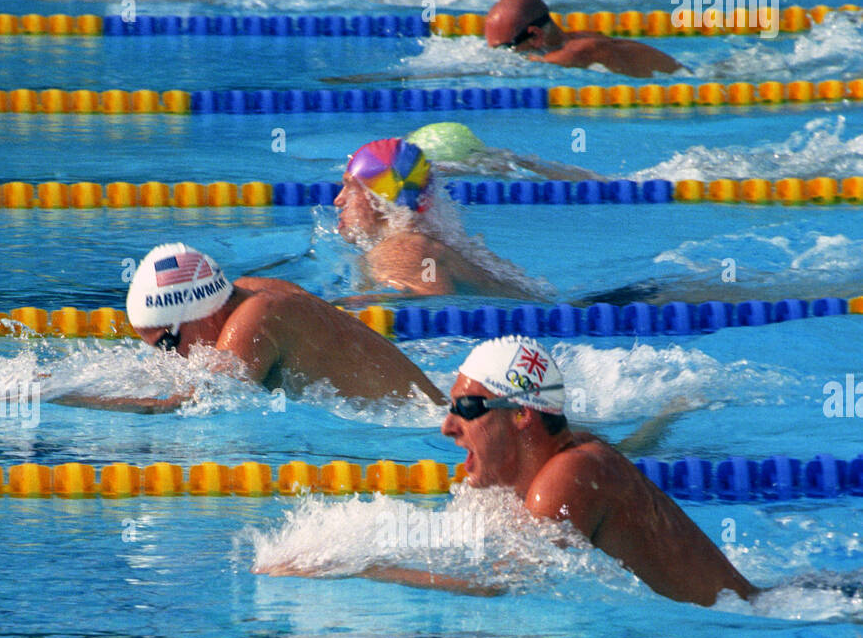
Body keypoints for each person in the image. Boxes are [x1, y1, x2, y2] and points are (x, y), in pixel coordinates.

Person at [259, 336, 755, 608]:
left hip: (751, 626)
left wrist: (355, 567)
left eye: (468, 408)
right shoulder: (553, 463)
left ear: (521, 414)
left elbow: (501, 583)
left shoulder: (570, 475)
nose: (447, 426)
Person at [54, 243, 445, 412]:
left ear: (204, 314)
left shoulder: (256, 318)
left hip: (421, 424)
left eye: (169, 343)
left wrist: (59, 394)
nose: (168, 358)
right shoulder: (245, 294)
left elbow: (188, 404)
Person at [334, 137, 555, 300]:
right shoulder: (415, 245)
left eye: (350, 188)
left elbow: (435, 308)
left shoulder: (402, 249)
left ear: (380, 201)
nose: (338, 200)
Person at [485, 0, 683, 78]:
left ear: (536, 36)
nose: (504, 55)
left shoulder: (576, 52)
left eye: (505, 48)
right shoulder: (575, 40)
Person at [406, 120, 604, 183]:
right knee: (518, 162)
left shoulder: (435, 165)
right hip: (472, 150)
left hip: (463, 156)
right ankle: (604, 180)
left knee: (506, 167)